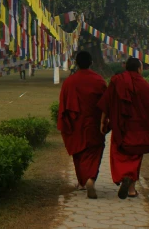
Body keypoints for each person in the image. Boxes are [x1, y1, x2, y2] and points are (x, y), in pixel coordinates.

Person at [98, 57, 149, 199]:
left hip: (121, 126)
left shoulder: (116, 81)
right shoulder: (144, 84)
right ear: (139, 69)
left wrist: (102, 122)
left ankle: (123, 176)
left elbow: (107, 102)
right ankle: (131, 189)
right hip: (139, 127)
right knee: (135, 154)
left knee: (119, 152)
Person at [57, 51, 107, 199]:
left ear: (76, 63)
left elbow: (63, 107)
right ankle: (91, 178)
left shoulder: (69, 82)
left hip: (75, 124)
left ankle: (82, 182)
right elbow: (106, 104)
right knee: (94, 152)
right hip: (93, 124)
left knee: (78, 152)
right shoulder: (99, 80)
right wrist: (105, 122)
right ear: (91, 62)